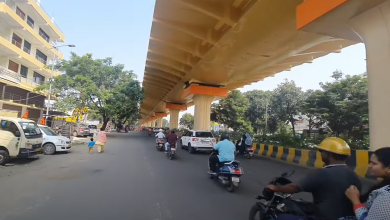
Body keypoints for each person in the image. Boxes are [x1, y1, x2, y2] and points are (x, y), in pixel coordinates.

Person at [266, 137, 362, 220]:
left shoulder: (322, 173)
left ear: (328, 154)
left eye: (321, 151)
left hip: (324, 217)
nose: (320, 153)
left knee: (282, 217)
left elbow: (295, 188)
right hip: (349, 217)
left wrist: (277, 188)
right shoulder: (353, 174)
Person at [345, 147, 390, 220]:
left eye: (374, 163)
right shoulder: (384, 186)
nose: (369, 165)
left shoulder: (386, 195)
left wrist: (355, 200)